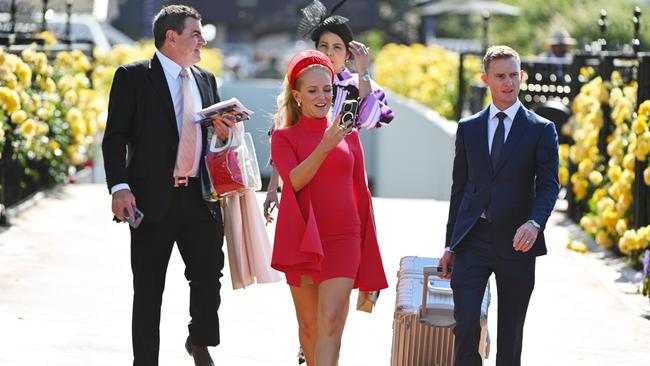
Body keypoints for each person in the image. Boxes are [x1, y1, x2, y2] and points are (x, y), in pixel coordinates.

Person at [102, 5, 233, 366]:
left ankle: (199, 339)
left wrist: (223, 134)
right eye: (195, 33)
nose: (202, 40)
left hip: (199, 199)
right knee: (148, 290)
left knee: (208, 278)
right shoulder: (132, 77)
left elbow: (214, 141)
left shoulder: (206, 79)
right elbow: (114, 139)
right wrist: (119, 188)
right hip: (151, 201)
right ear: (170, 37)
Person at [439, 45, 559, 365]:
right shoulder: (469, 128)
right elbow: (459, 189)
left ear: (522, 77)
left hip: (518, 243)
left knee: (511, 336)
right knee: (465, 324)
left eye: (514, 75)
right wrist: (450, 244)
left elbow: (549, 186)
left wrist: (535, 223)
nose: (508, 82)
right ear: (486, 79)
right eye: (500, 76)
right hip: (473, 239)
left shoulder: (541, 129)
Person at [270, 50, 388, 366]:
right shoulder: (283, 137)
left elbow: (362, 195)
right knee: (309, 327)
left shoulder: (349, 135)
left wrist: (371, 260)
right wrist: (325, 145)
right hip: (303, 240)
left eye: (327, 90)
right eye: (313, 91)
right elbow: (292, 182)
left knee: (332, 320)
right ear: (296, 96)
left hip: (344, 238)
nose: (322, 97)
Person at [264, 0, 394, 224]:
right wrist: (272, 187)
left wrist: (364, 72)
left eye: (337, 47)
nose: (329, 52)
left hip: (343, 179)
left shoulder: (356, 85)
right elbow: (282, 135)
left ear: (348, 54)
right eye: (323, 46)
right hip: (304, 176)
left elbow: (370, 119)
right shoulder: (301, 83)